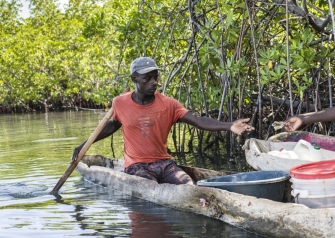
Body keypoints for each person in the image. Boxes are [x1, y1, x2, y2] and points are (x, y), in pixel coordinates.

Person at [72, 57, 254, 184]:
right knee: (148, 186)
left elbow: (198, 120)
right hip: (136, 166)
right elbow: (113, 126)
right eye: (147, 78)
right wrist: (85, 145)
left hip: (165, 163)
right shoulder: (119, 103)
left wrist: (229, 125)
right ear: (134, 78)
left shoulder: (168, 104)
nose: (154, 82)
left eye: (155, 77)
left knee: (188, 186)